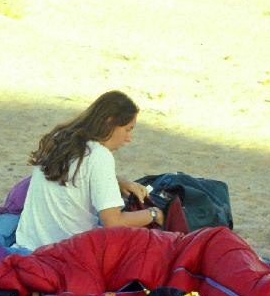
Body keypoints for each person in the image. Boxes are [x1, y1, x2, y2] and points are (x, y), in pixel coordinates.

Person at [14, 90, 163, 251]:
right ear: (109, 122)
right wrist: (154, 213)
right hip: (64, 252)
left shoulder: (60, 137)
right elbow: (113, 223)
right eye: (127, 129)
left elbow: (76, 177)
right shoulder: (99, 155)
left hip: (28, 242)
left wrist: (118, 183)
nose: (129, 138)